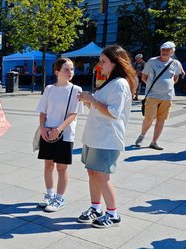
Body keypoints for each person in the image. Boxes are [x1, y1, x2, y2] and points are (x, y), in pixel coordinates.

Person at [77, 45, 136, 228]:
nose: (99, 65)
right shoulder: (111, 81)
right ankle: (96, 208)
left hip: (107, 138)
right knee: (93, 173)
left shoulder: (120, 83)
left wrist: (91, 99)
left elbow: (113, 112)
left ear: (115, 62)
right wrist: (88, 101)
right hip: (96, 136)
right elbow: (100, 108)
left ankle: (113, 213)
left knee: (102, 176)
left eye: (103, 61)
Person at [35, 58, 83, 212]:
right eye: (66, 70)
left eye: (72, 69)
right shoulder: (49, 88)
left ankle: (60, 198)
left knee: (62, 168)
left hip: (65, 134)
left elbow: (73, 114)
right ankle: (50, 194)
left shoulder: (76, 89)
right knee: (48, 165)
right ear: (57, 72)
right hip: (47, 132)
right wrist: (42, 128)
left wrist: (59, 128)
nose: (70, 73)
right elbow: (43, 110)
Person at [134, 41, 182, 150]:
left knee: (161, 120)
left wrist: (165, 87)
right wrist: (154, 87)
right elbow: (144, 77)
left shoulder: (176, 63)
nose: (164, 52)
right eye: (162, 50)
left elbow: (175, 78)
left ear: (172, 52)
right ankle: (142, 136)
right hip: (152, 95)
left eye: (167, 50)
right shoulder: (152, 61)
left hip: (167, 96)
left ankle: (154, 142)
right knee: (149, 118)